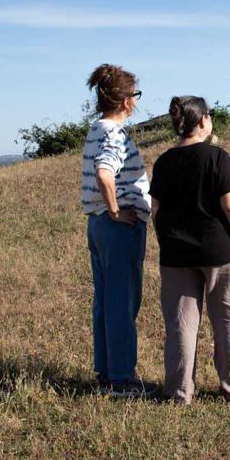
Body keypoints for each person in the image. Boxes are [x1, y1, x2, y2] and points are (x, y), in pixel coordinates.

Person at [149, 96, 230, 405]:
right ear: (202, 121)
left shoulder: (163, 161)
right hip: (220, 252)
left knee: (181, 325)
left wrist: (165, 241)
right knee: (229, 319)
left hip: (175, 256)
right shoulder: (216, 157)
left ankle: (179, 392)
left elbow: (155, 209)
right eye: (209, 116)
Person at [82, 64, 155, 397]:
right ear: (126, 100)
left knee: (106, 300)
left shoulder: (96, 128)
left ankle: (107, 373)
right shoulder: (113, 133)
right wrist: (116, 210)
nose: (136, 102)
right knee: (122, 302)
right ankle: (123, 380)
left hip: (97, 224)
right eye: (135, 95)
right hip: (116, 227)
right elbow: (104, 172)